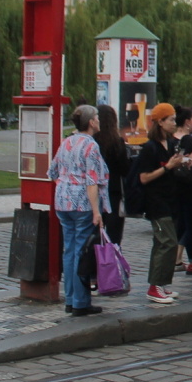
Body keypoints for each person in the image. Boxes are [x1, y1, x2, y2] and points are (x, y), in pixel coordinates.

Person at [47, 105, 109, 317]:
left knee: (70, 249)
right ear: (91, 122)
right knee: (82, 252)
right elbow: (92, 181)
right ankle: (80, 302)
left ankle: (71, 298)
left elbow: (52, 171)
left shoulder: (67, 142)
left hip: (63, 201)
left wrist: (66, 185)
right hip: (82, 203)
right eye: (97, 118)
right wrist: (96, 211)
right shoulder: (91, 146)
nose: (99, 121)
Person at [139, 102, 185, 305]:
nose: (175, 123)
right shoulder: (150, 148)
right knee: (167, 242)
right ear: (160, 122)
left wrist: (181, 164)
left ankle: (162, 283)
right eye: (171, 119)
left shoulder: (171, 144)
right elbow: (144, 178)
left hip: (171, 199)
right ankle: (154, 286)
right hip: (156, 202)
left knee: (166, 242)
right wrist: (168, 167)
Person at [172, 106, 192, 274]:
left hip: (173, 187)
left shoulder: (170, 139)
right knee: (191, 224)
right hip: (189, 187)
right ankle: (191, 260)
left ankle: (176, 258)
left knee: (179, 222)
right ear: (186, 121)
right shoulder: (190, 140)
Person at [94, 104, 129, 245]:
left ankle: (93, 263)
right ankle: (112, 264)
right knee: (114, 236)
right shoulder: (117, 142)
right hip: (112, 192)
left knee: (94, 233)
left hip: (93, 192)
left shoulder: (92, 141)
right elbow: (125, 169)